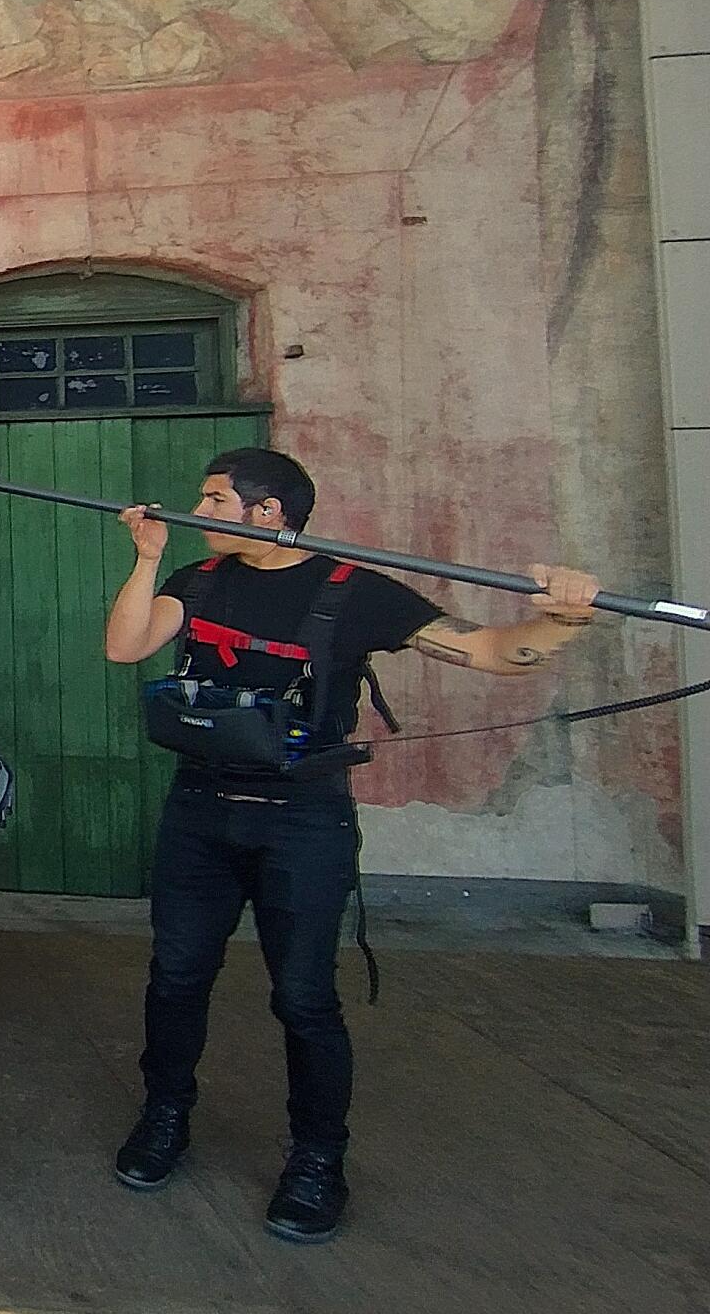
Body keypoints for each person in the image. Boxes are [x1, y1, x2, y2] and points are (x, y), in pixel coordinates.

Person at [105, 447, 600, 1245]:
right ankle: (165, 1116)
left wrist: (566, 615)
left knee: (303, 997)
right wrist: (148, 559)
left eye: (215, 499)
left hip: (302, 822)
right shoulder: (195, 582)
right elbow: (126, 647)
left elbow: (490, 651)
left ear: (269, 513)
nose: (199, 509)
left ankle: (317, 1160)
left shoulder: (355, 590)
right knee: (175, 976)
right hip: (199, 810)